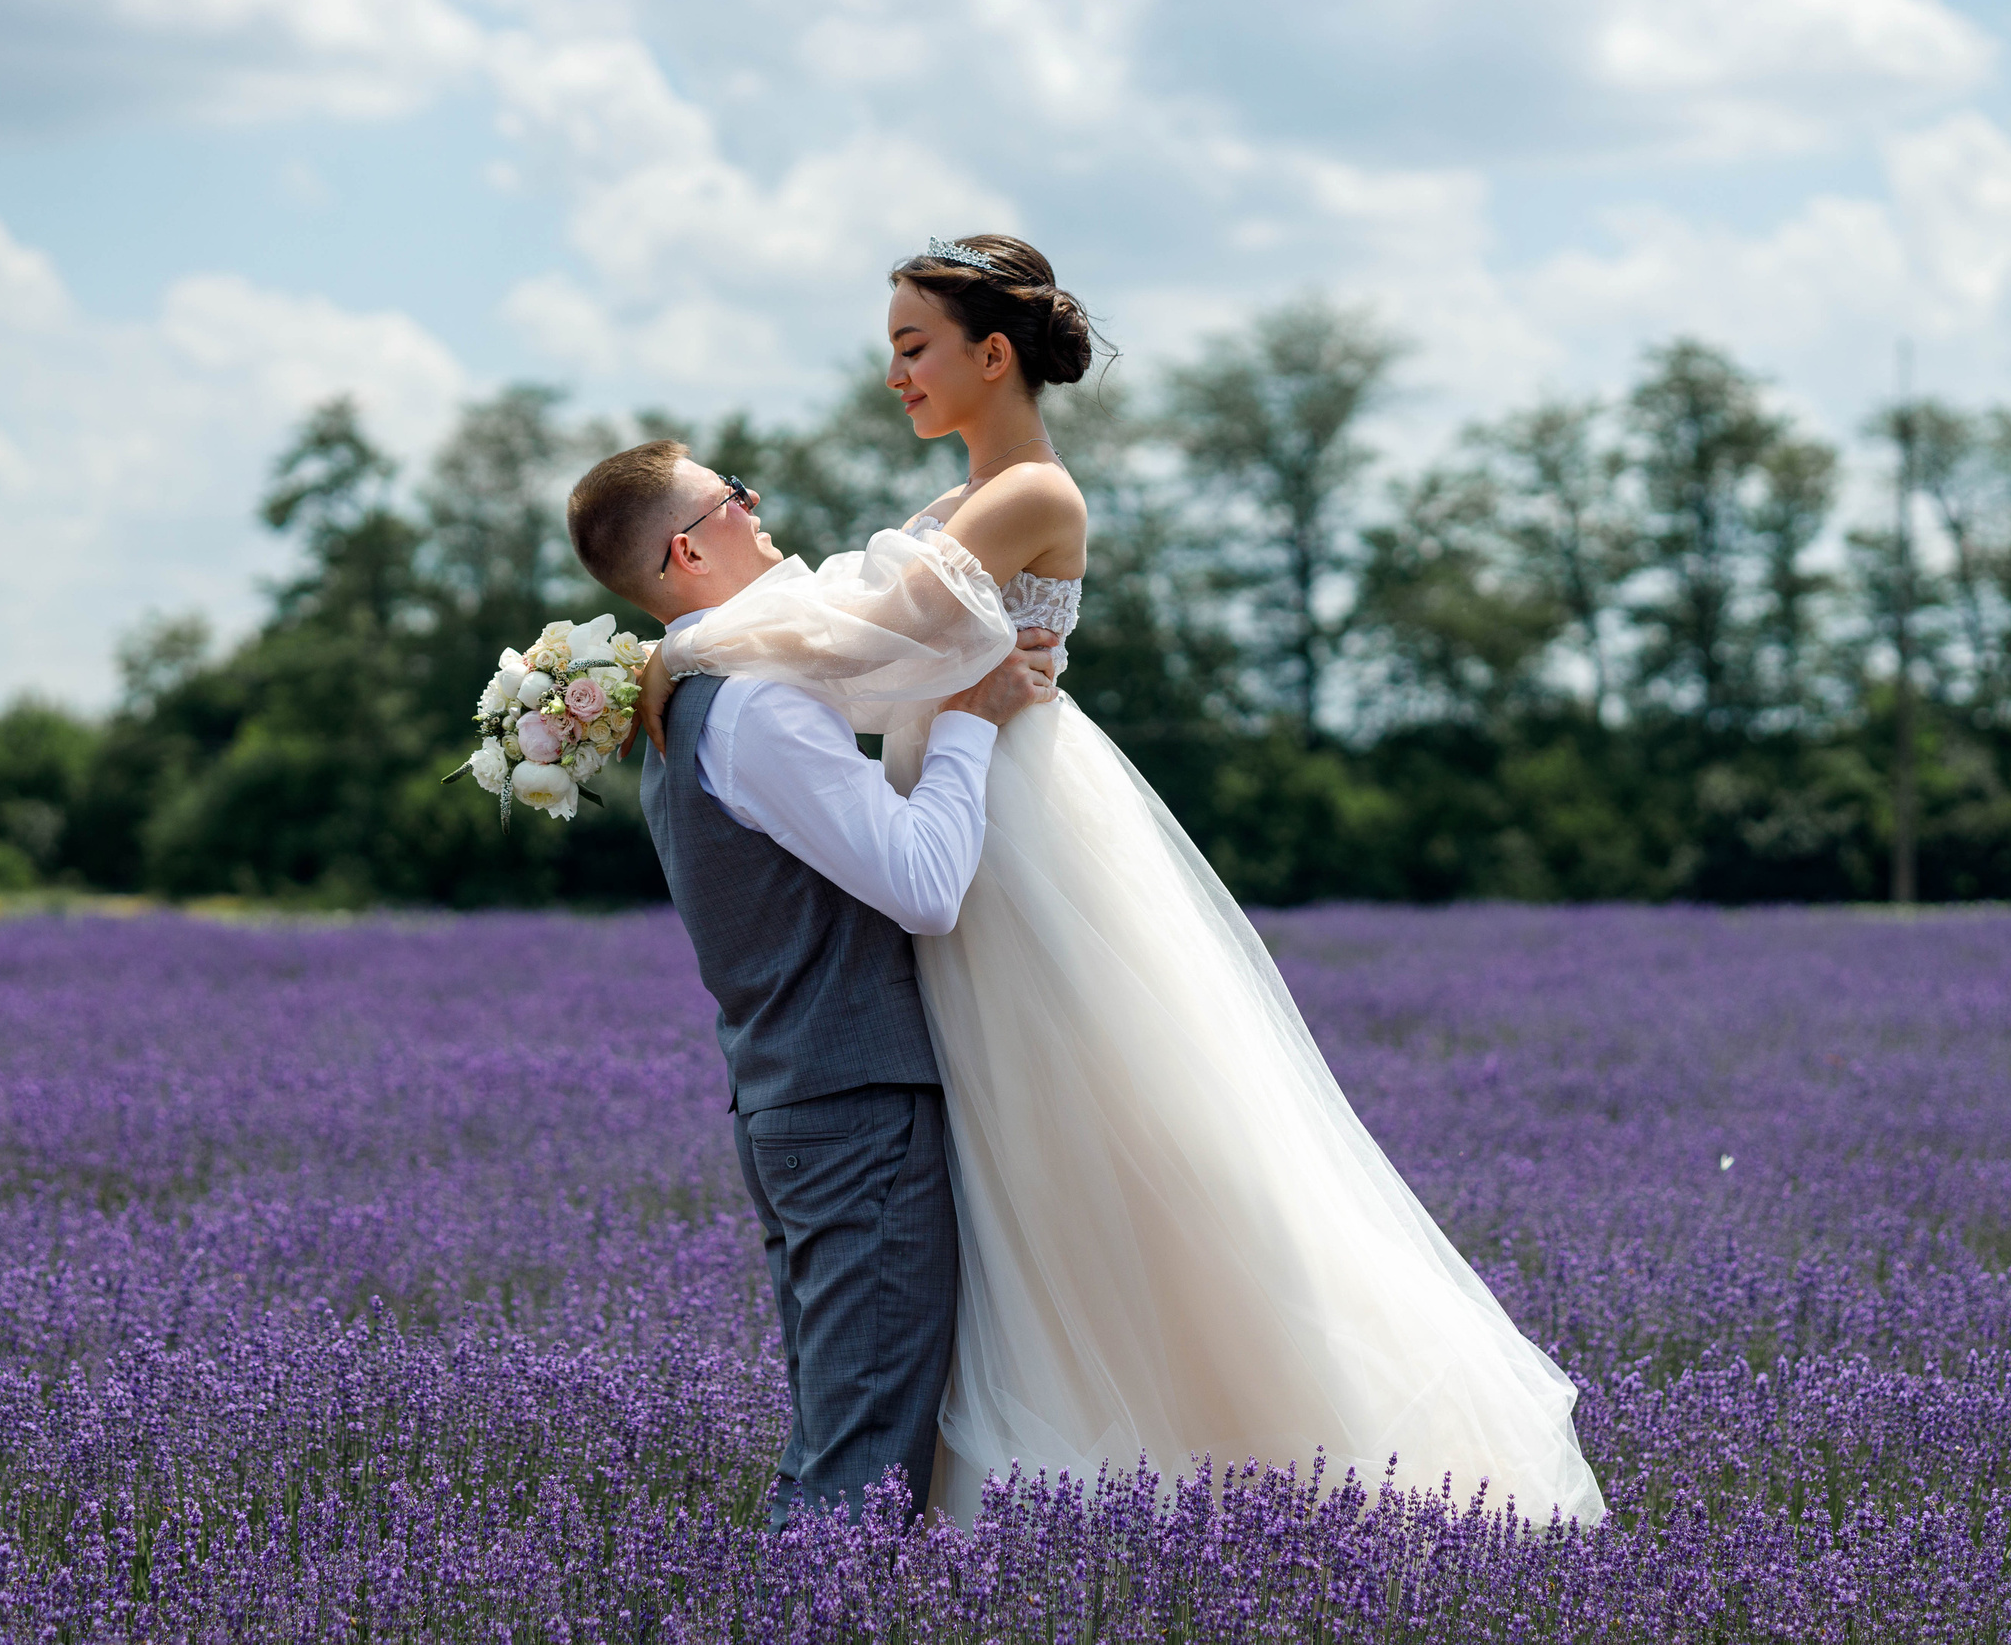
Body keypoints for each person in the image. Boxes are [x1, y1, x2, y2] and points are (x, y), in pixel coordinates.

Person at [638, 235, 1608, 1528]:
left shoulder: (1031, 492)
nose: (895, 376)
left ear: (994, 353)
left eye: (914, 346)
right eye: (892, 351)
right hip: (963, 782)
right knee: (1015, 1164)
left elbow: (850, 635)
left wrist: (672, 648)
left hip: (1022, 819)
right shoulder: (957, 506)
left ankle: (1220, 1469)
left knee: (1108, 1142)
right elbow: (842, 652)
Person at [564, 438, 1059, 1526]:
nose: (758, 504)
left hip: (801, 1101)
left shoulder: (694, 697)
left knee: (849, 1437)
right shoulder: (752, 708)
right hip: (852, 1112)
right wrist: (970, 723)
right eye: (734, 495)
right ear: (690, 548)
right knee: (859, 1464)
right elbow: (924, 885)